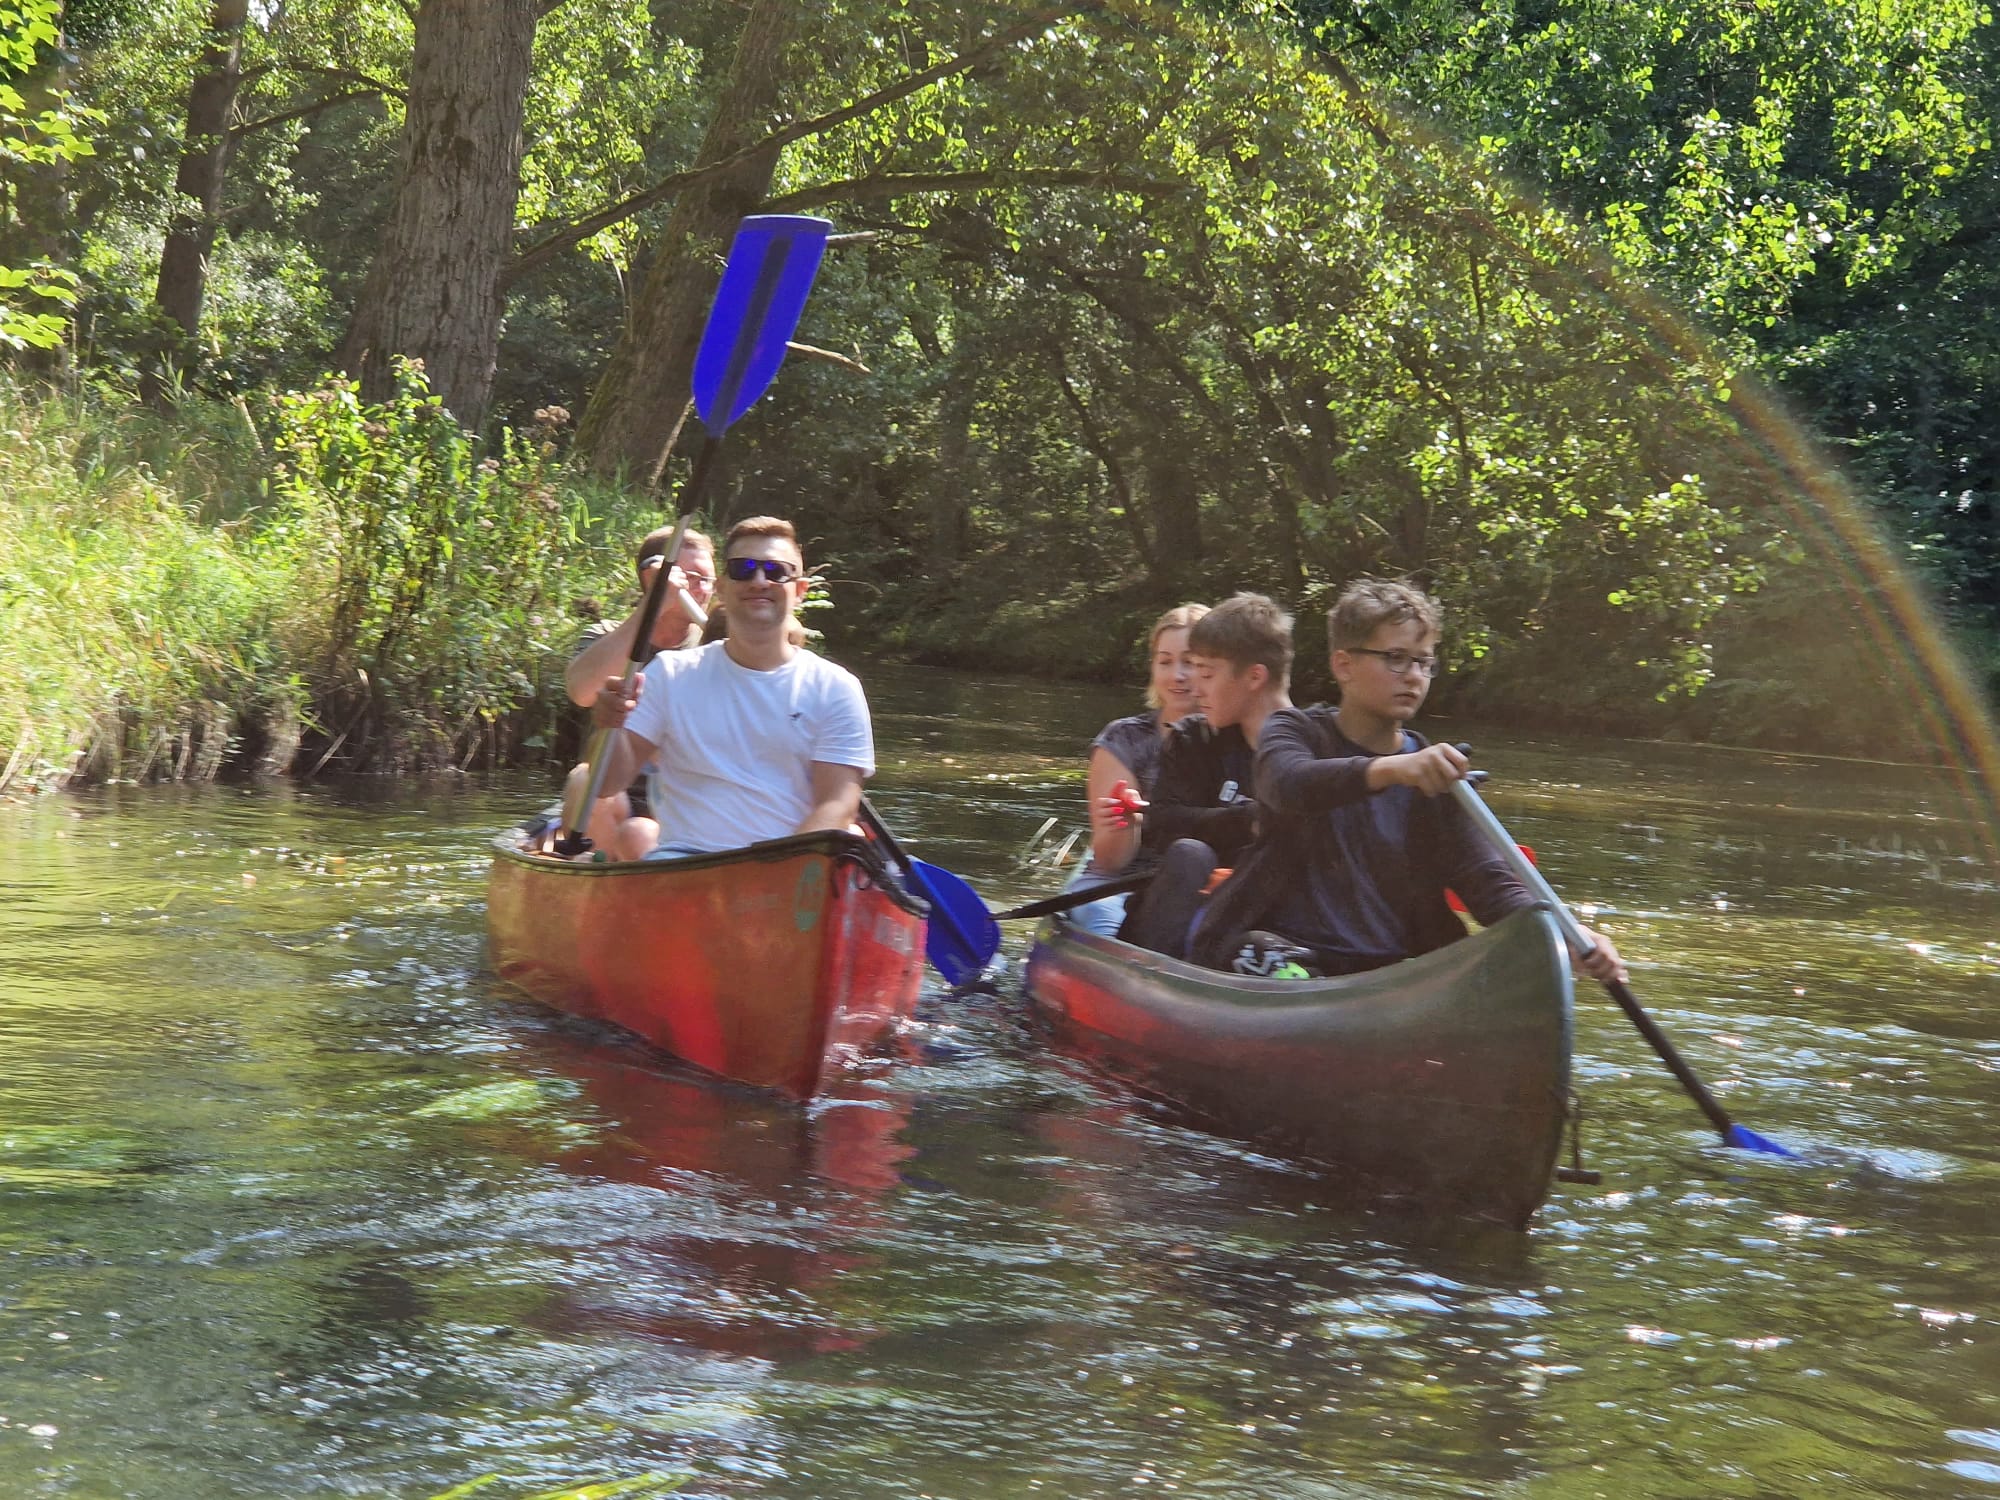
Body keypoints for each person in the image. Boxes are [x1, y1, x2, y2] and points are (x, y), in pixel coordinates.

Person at [1187, 578, 1626, 983]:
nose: (1414, 676)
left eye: (1424, 663)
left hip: (1388, 975)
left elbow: (1488, 880)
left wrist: (1564, 936)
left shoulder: (1435, 774)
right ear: (1344, 665)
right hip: (1282, 952)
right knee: (1268, 960)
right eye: (1395, 659)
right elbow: (1288, 785)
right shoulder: (1294, 731)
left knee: (1517, 969)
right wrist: (1393, 770)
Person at [585, 516, 873, 857]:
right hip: (681, 863)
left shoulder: (836, 687)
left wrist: (770, 870)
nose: (759, 580)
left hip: (789, 867)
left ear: (799, 591)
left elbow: (837, 806)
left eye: (776, 571)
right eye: (743, 569)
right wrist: (609, 727)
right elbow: (605, 783)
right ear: (721, 587)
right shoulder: (671, 672)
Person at [1119, 593, 1294, 957]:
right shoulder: (1192, 739)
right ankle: (1161, 982)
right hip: (1181, 907)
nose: (1194, 688)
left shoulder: (1315, 748)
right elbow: (1164, 821)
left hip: (1266, 921)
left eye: (1206, 673)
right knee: (1189, 854)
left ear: (1255, 677)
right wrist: (1247, 819)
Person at [560, 526, 717, 861]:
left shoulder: (716, 648)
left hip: (685, 796)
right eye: (692, 577)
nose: (702, 590)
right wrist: (652, 606)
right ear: (652, 577)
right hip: (615, 792)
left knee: (642, 836)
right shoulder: (605, 636)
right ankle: (595, 884)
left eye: (709, 580)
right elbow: (581, 691)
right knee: (584, 778)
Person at [1061, 603, 1208, 936]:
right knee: (1107, 923)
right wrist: (1127, 824)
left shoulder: (1241, 742)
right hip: (1118, 884)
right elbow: (1111, 861)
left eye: (1190, 662)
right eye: (1165, 662)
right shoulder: (1123, 738)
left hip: (1199, 887)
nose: (1177, 675)